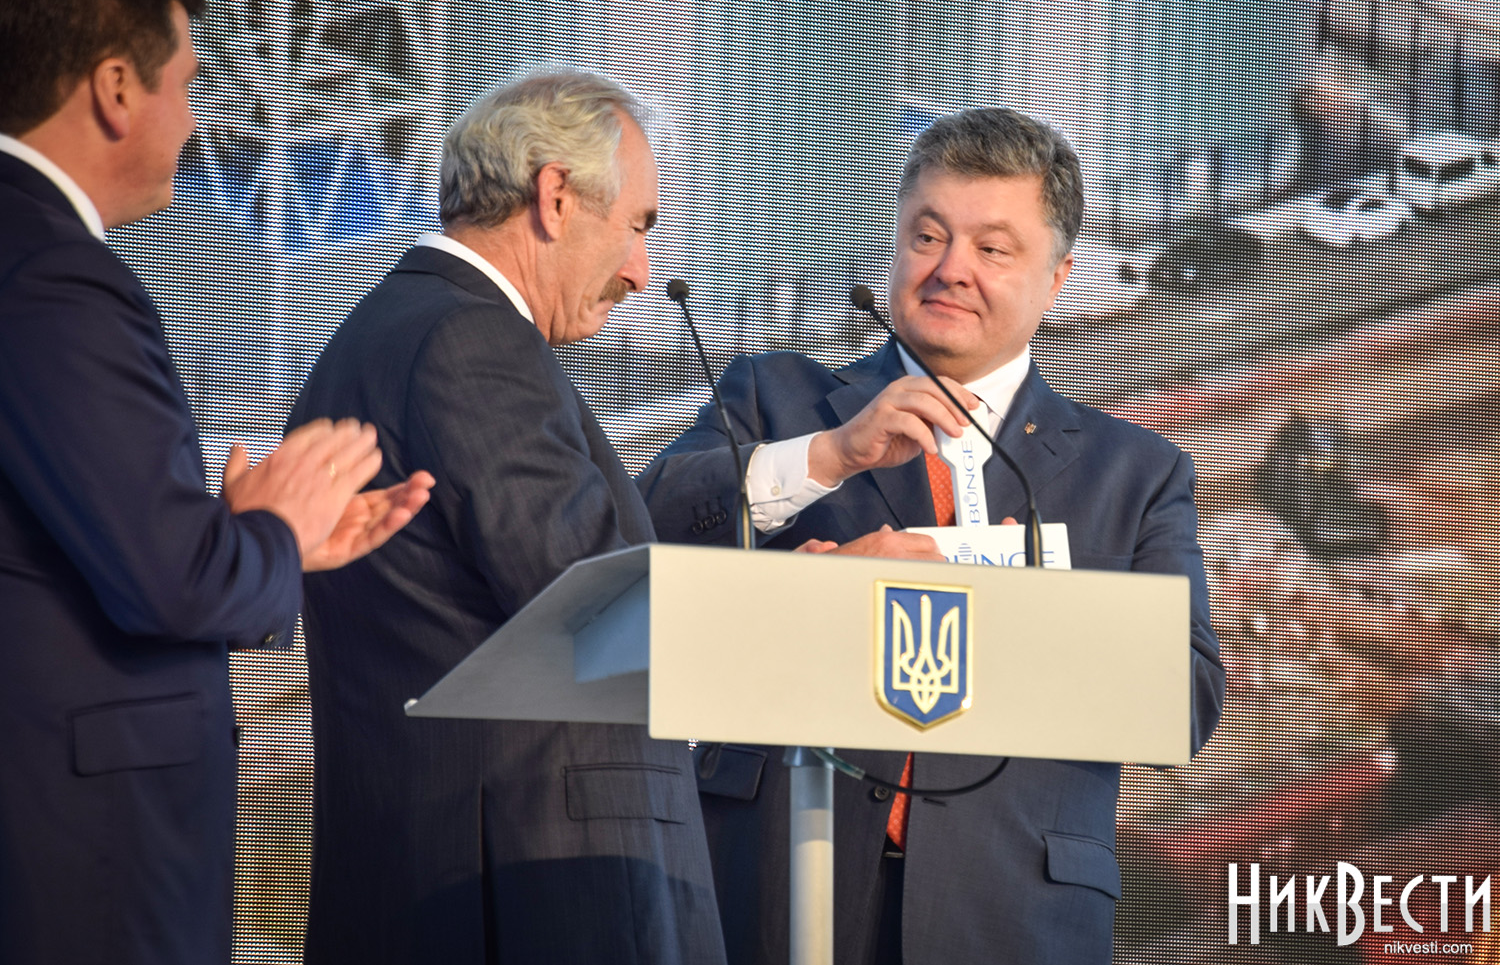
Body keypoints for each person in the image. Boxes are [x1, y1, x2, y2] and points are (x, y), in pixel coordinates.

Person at [638, 107, 1227, 965]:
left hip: (1013, 912)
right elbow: (638, 540)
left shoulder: (1135, 473)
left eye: (992, 248)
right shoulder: (778, 400)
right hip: (773, 887)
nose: (951, 269)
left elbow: (1185, 701)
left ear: (1057, 278)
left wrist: (990, 608)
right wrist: (831, 455)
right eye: (927, 236)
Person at [0, 0, 433, 963]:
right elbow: (172, 581)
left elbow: (88, 545)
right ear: (116, 87)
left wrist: (257, 540)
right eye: (190, 84)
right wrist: (270, 530)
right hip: (85, 866)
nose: (197, 121)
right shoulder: (55, 273)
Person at [288, 70, 752, 965]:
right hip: (532, 893)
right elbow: (598, 606)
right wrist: (812, 597)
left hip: (446, 881)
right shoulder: (470, 341)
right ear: (555, 195)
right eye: (639, 224)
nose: (641, 271)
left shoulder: (392, 329)